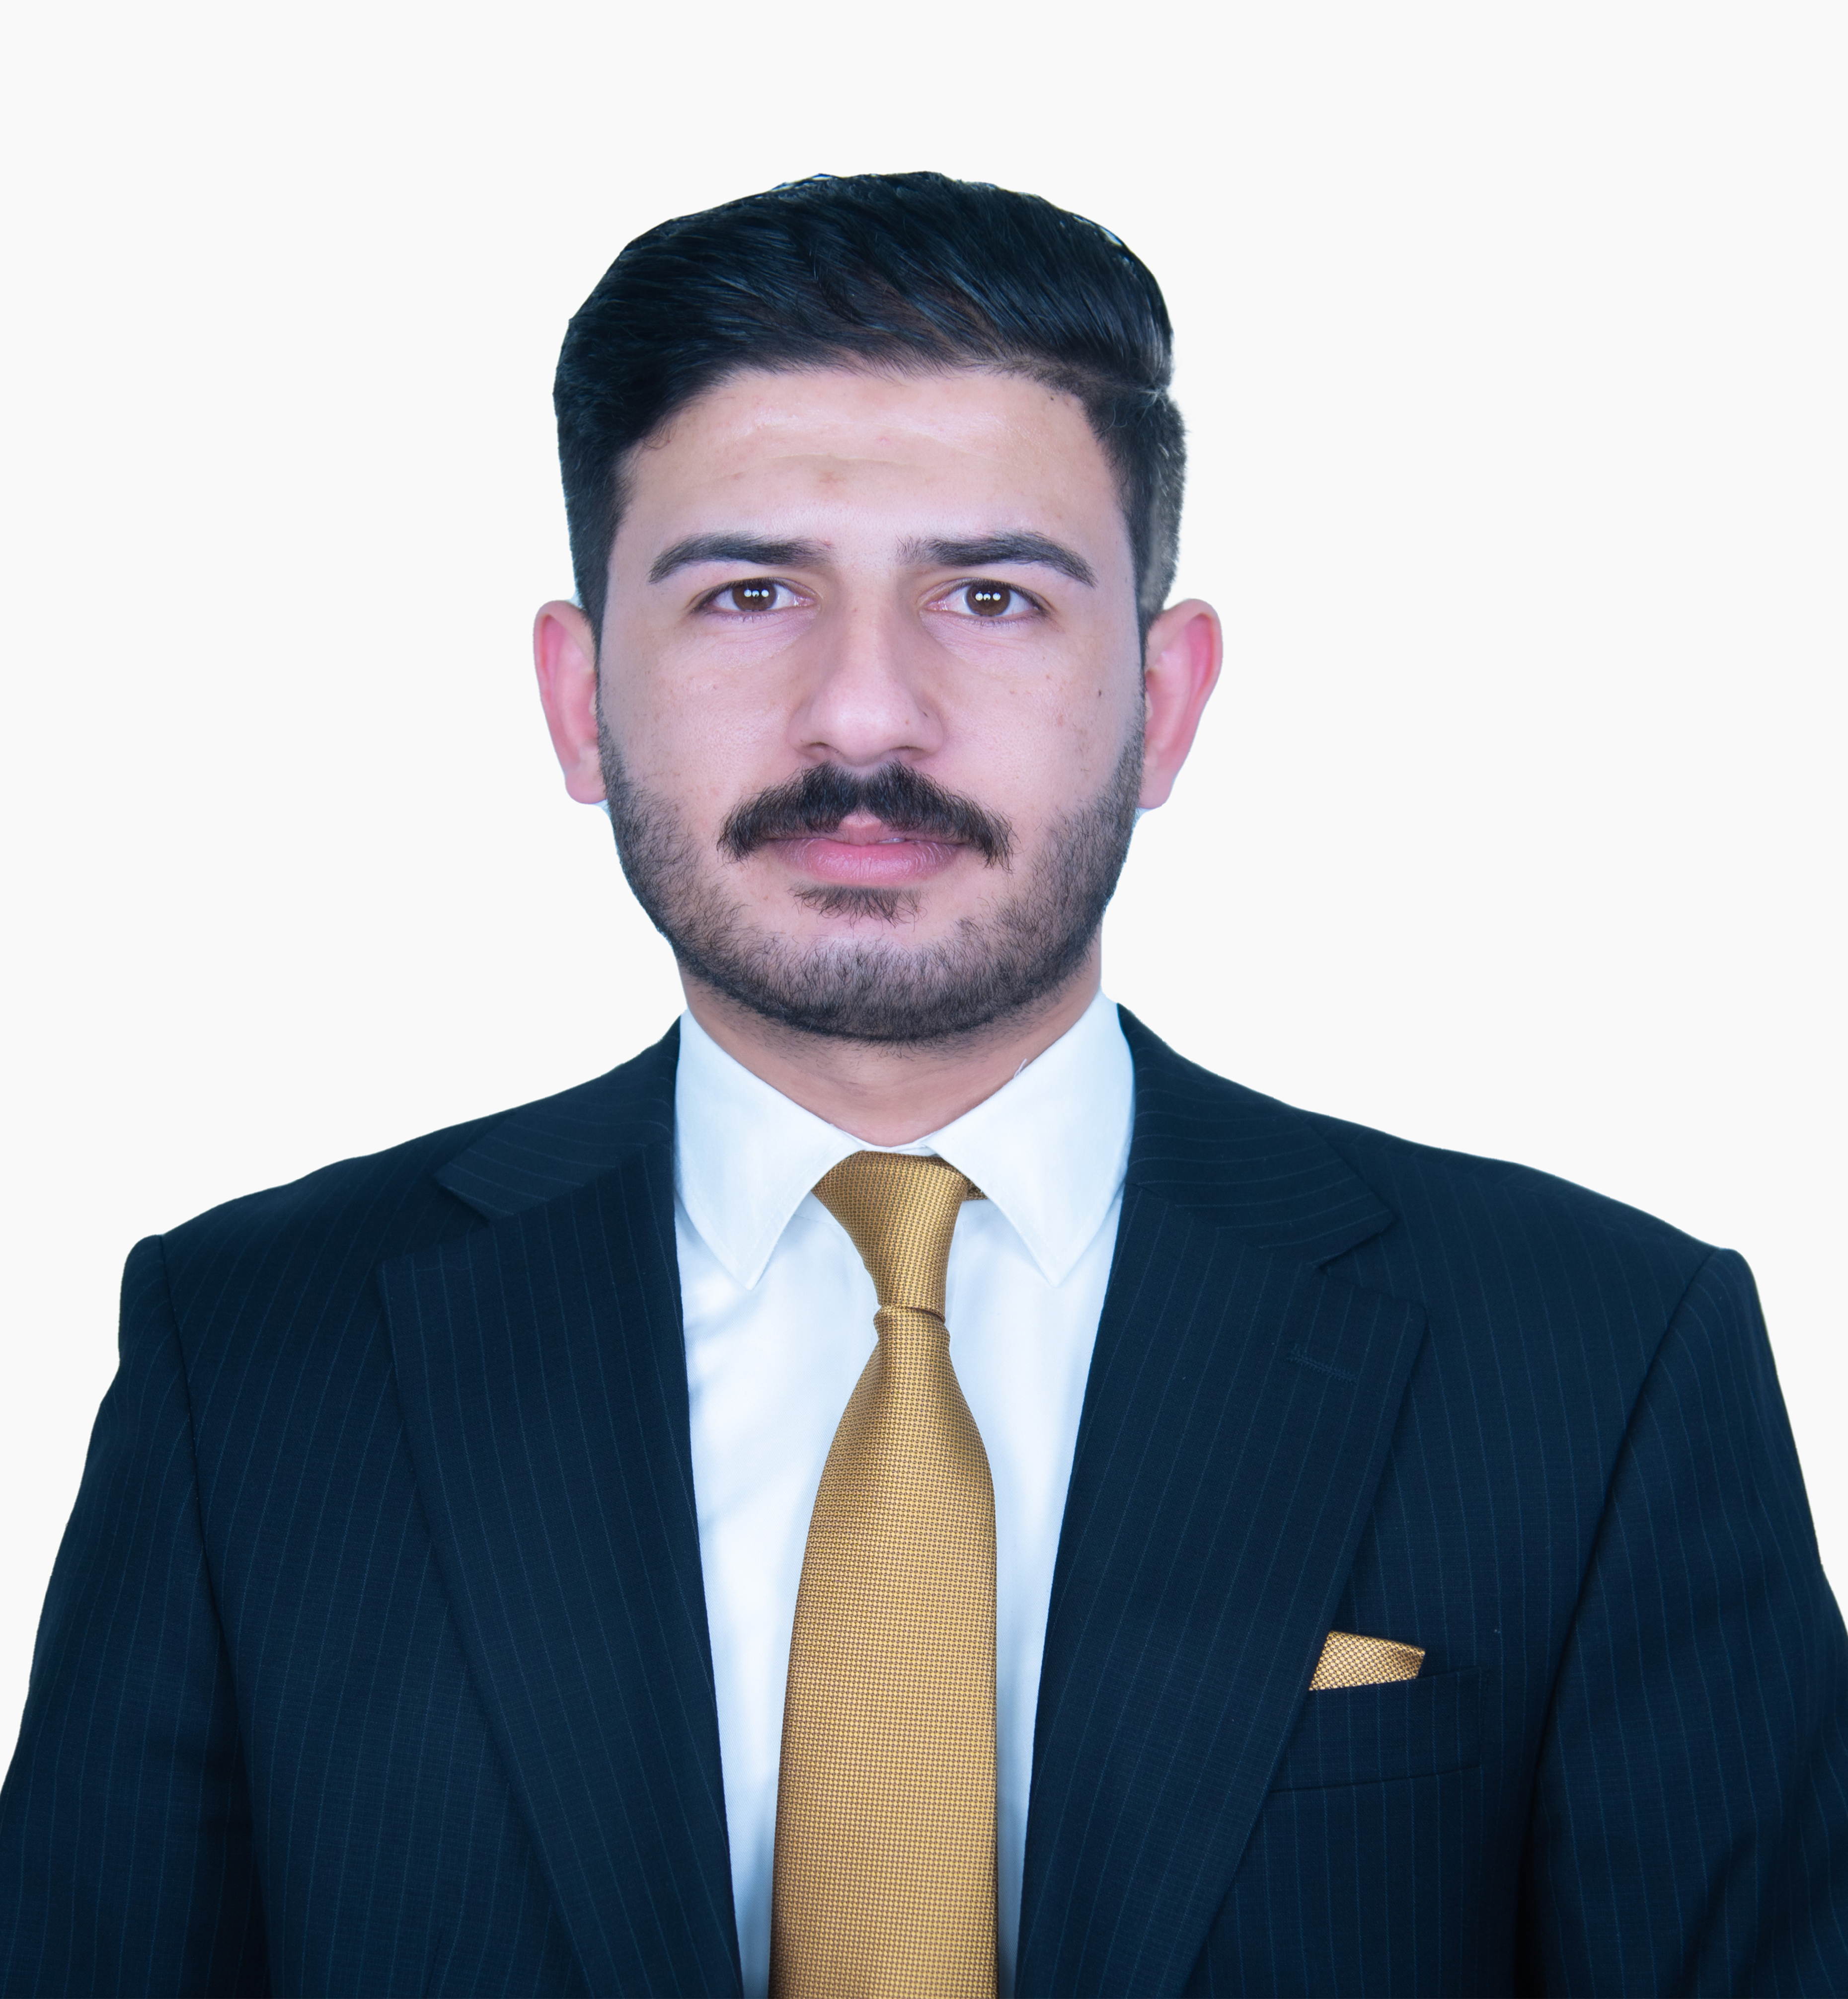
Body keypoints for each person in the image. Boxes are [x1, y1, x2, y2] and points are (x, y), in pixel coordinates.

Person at [0, 170, 1842, 1999]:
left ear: (1164, 700)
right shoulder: (253, 1358)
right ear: (580, 700)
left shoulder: (1600, 1360)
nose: (866, 717)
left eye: (989, 595)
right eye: (747, 594)